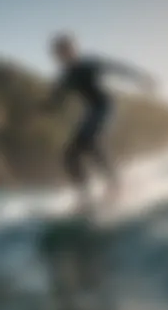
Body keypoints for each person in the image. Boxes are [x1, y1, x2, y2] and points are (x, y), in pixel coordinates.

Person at [44, 33, 158, 204]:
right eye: (58, 54)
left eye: (64, 51)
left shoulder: (87, 65)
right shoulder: (66, 77)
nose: (61, 56)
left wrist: (142, 78)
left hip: (104, 108)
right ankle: (84, 196)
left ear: (72, 50)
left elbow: (116, 67)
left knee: (90, 142)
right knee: (70, 155)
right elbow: (57, 99)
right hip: (90, 112)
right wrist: (47, 106)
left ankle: (116, 185)